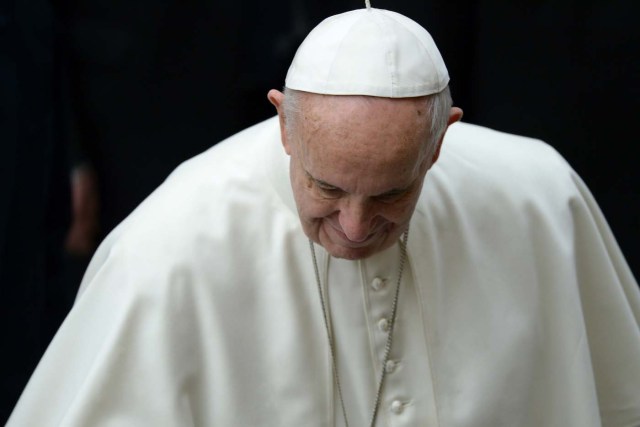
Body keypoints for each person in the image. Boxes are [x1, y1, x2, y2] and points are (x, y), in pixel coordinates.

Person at [7, 4, 640, 426]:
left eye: (392, 192)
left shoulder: (542, 199)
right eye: (327, 186)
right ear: (284, 124)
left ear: (441, 141)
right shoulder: (171, 245)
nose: (356, 227)